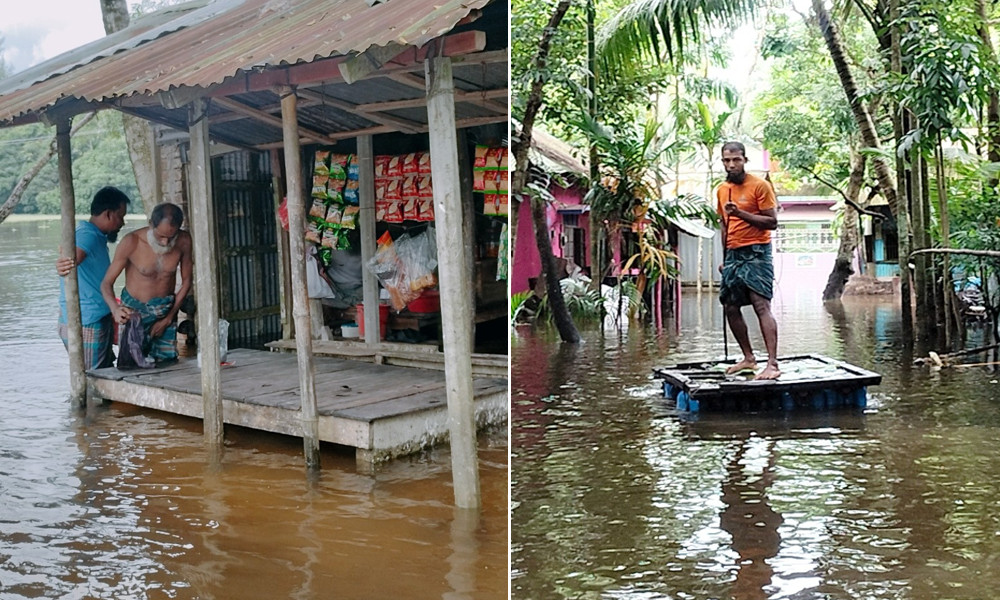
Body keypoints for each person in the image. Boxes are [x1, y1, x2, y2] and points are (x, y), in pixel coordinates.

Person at [716, 141, 781, 380]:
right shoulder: (722, 190)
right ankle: (748, 358)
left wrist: (740, 212)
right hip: (733, 254)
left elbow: (772, 222)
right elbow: (725, 224)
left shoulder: (760, 186)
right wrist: (725, 258)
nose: (731, 164)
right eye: (727, 160)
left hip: (757, 252)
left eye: (736, 160)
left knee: (761, 305)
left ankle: (772, 364)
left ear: (745, 160)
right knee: (730, 306)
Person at [101, 202, 193, 365]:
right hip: (134, 312)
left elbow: (187, 281)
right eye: (161, 236)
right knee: (130, 364)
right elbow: (106, 283)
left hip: (165, 310)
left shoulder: (184, 240)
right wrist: (115, 309)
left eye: (171, 237)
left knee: (167, 363)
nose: (165, 243)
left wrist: (168, 318)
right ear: (151, 224)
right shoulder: (131, 242)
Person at [57, 186, 130, 369]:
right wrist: (63, 263)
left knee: (103, 371)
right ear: (107, 214)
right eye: (120, 216)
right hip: (87, 321)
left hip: (92, 316)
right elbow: (70, 260)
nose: (122, 223)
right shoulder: (88, 235)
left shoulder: (92, 234)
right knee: (93, 378)